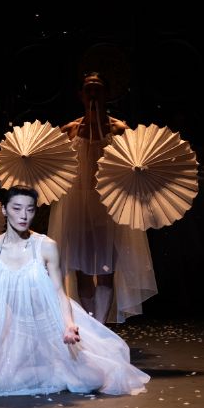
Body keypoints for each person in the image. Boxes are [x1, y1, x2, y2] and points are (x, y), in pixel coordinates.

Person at [0, 185, 150, 396]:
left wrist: (68, 325)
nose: (24, 215)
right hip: (15, 329)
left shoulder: (46, 246)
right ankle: (45, 368)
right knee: (3, 382)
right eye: (17, 208)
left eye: (30, 209)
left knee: (91, 379)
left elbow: (59, 292)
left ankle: (56, 365)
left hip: (49, 325)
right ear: (4, 210)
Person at [47, 72, 157, 323]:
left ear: (107, 94)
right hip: (77, 202)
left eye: (98, 89)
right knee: (82, 268)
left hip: (109, 204)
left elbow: (135, 164)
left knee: (106, 267)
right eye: (88, 89)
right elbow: (56, 168)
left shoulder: (119, 130)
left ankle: (100, 325)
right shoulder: (71, 130)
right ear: (81, 95)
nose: (93, 94)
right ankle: (89, 326)